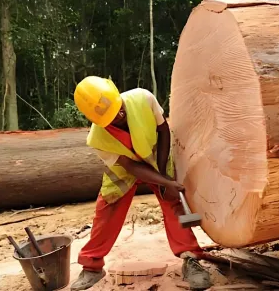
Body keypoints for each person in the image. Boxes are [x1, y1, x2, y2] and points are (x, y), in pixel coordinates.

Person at [70, 76, 212, 291]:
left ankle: (191, 258)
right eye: (111, 119)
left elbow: (163, 131)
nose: (118, 118)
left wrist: (164, 177)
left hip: (157, 156)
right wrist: (161, 179)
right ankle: (91, 267)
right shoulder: (96, 139)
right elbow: (130, 166)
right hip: (124, 169)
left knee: (174, 202)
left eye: (119, 111)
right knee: (107, 209)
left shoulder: (144, 98)